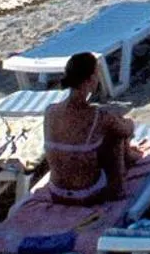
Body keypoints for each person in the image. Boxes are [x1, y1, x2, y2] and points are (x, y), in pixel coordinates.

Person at [42, 53, 137, 204]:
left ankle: (131, 156)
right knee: (115, 137)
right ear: (91, 79)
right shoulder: (98, 115)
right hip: (88, 195)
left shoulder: (50, 111)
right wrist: (123, 119)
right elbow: (128, 130)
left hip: (57, 193)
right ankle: (118, 190)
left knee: (94, 139)